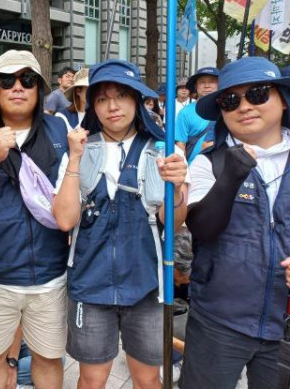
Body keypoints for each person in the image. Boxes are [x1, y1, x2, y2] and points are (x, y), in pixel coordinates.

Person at [52, 59, 189, 389]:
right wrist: (74, 159)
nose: (112, 106)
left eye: (122, 96)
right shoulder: (80, 149)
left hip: (146, 286)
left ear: (137, 100)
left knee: (147, 377)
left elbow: (171, 223)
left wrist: (177, 188)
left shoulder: (163, 150)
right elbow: (65, 219)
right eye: (101, 98)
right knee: (92, 377)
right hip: (89, 284)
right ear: (91, 104)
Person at [0, 50, 69, 389]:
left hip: (50, 274)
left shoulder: (59, 129)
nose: (17, 87)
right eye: (7, 81)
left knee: (49, 357)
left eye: (27, 80)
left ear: (39, 89)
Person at [179, 57, 290, 389]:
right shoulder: (207, 161)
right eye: (231, 100)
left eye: (257, 94)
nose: (244, 107)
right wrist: (230, 177)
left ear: (282, 100)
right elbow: (202, 229)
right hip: (218, 320)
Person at [175, 67, 219, 164]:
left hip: (224, 170)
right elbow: (180, 145)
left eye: (212, 81)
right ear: (196, 86)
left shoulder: (228, 109)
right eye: (202, 82)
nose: (207, 86)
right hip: (194, 170)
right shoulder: (185, 113)